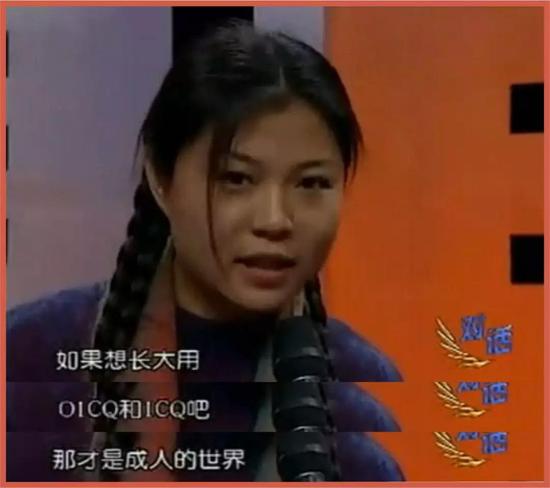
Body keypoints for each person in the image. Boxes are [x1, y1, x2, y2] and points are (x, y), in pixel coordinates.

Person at [7, 20, 404, 482]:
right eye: (237, 179)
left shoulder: (361, 387)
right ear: (161, 178)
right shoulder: (30, 356)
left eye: (311, 183)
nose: (275, 220)